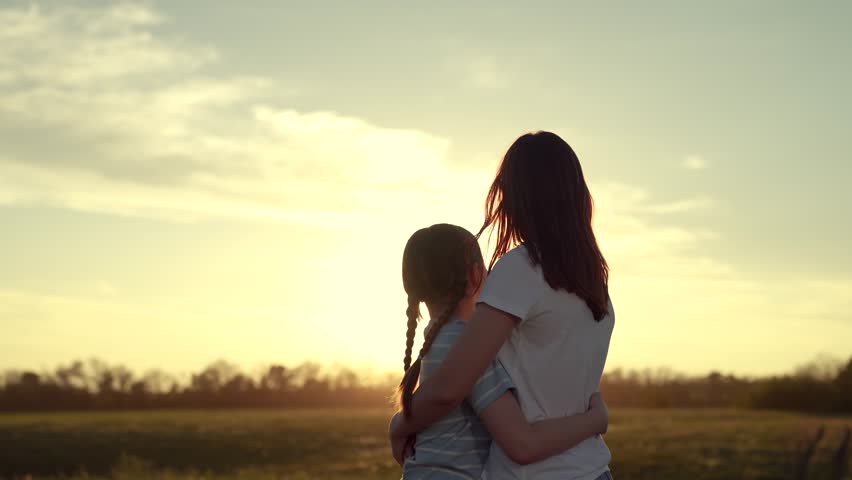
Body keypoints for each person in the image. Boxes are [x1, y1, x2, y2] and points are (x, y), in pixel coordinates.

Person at [390, 132, 616, 480]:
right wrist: (595, 420)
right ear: (577, 194)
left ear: (514, 196)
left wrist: (398, 424)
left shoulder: (522, 266)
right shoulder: (593, 283)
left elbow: (450, 387)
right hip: (593, 471)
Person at [394, 223, 608, 479]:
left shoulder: (436, 342)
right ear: (475, 276)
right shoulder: (468, 349)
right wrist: (595, 420)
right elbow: (523, 443)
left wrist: (396, 425)